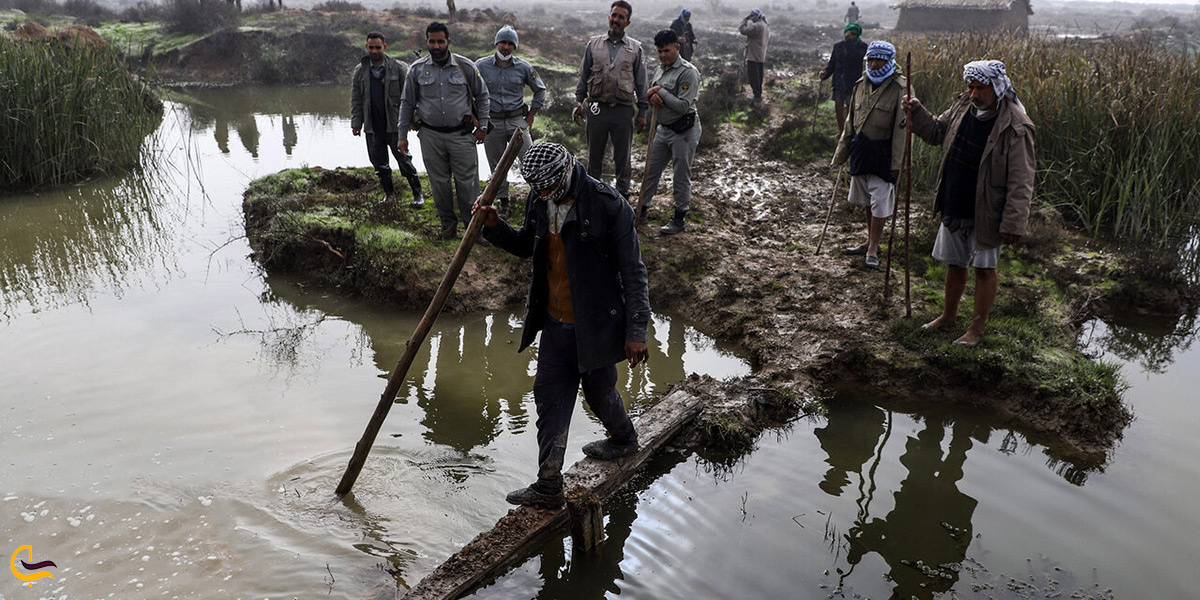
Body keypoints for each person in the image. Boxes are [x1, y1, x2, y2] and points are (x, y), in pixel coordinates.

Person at [472, 142, 651, 508]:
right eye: (538, 190)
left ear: (566, 172)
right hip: (555, 323)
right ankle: (549, 484)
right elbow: (526, 245)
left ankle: (624, 438)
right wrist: (494, 227)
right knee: (550, 399)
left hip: (596, 325)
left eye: (549, 189)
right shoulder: (541, 198)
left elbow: (634, 273)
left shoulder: (609, 205)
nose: (543, 195)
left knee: (600, 395)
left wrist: (636, 332)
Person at [903, 60, 1035, 345]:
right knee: (955, 262)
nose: (974, 94)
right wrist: (917, 112)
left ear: (997, 88)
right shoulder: (964, 106)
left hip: (988, 208)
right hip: (956, 197)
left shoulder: (1015, 124)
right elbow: (938, 132)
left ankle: (976, 330)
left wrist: (1014, 222)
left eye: (981, 88)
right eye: (971, 87)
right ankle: (948, 317)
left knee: (985, 268)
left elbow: (1021, 180)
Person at [399, 22, 489, 239]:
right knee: (439, 184)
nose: (436, 45)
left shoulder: (465, 66)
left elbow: (483, 96)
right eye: (432, 41)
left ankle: (473, 230)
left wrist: (483, 126)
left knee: (468, 184)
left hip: (462, 135)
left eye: (440, 41)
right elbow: (406, 103)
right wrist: (402, 137)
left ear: (448, 41)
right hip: (430, 136)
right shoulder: (417, 69)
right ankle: (447, 227)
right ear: (427, 41)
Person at [831, 40, 908, 268]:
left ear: (889, 61)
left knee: (880, 202)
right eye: (871, 60)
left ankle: (873, 248)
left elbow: (901, 131)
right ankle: (869, 241)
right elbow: (850, 123)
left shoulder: (900, 88)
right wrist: (841, 153)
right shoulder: (860, 84)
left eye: (879, 60)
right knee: (866, 199)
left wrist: (897, 164)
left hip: (883, 153)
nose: (874, 64)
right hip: (861, 150)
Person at [573, 0, 649, 200]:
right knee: (594, 155)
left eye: (621, 17)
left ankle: (622, 196)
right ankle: (592, 195)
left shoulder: (635, 49)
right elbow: (583, 76)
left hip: (623, 110)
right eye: (613, 16)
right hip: (596, 108)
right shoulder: (593, 44)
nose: (616, 20)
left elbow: (642, 84)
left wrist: (642, 113)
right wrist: (578, 103)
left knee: (622, 157)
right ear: (609, 17)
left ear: (628, 22)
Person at [476, 25, 546, 219]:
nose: (505, 47)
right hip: (493, 122)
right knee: (497, 166)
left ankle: (540, 199)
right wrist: (477, 119)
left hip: (517, 121)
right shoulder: (481, 66)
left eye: (510, 43)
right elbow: (469, 90)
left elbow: (540, 89)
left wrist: (531, 115)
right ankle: (503, 202)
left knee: (530, 160)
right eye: (502, 42)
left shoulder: (523, 67)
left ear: (515, 46)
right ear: (496, 43)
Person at [350, 32, 424, 207]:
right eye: (371, 47)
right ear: (367, 47)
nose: (374, 51)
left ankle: (417, 194)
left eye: (378, 47)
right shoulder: (360, 71)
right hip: (372, 126)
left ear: (384, 47)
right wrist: (356, 123)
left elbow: (411, 96)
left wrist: (413, 119)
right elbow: (356, 99)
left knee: (404, 161)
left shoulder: (399, 67)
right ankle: (389, 195)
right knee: (379, 164)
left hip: (395, 125)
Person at [640, 29, 701, 235]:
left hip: (684, 129)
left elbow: (683, 105)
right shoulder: (660, 69)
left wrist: (659, 92)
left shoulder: (688, 72)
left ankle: (679, 217)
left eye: (666, 50)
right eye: (659, 51)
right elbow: (653, 91)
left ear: (677, 47)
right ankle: (641, 210)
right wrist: (653, 96)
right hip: (663, 129)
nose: (663, 55)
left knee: (681, 174)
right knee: (650, 171)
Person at [818, 22, 868, 135]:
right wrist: (825, 73)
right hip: (838, 82)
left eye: (854, 35)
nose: (851, 37)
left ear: (858, 35)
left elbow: (856, 56)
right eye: (849, 34)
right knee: (838, 108)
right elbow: (832, 64)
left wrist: (849, 42)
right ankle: (841, 131)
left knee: (851, 109)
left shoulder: (862, 47)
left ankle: (850, 131)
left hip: (852, 82)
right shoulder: (838, 46)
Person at [739, 9, 769, 101]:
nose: (751, 18)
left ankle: (757, 96)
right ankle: (758, 94)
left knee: (753, 76)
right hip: (761, 54)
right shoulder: (764, 25)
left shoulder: (756, 26)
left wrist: (744, 20)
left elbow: (743, 30)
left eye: (752, 16)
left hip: (753, 55)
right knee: (759, 76)